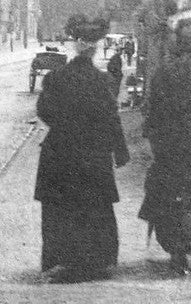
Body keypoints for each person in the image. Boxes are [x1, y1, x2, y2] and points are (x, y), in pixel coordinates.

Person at [34, 16, 129, 282]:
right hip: (93, 153)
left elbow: (44, 111)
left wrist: (66, 127)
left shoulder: (55, 77)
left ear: (74, 47)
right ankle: (95, 261)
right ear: (96, 49)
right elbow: (112, 117)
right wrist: (119, 151)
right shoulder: (103, 82)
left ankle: (62, 258)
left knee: (61, 206)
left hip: (60, 151)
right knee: (93, 205)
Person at [139, 10, 191, 276]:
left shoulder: (165, 71)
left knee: (171, 198)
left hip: (171, 150)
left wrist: (156, 143)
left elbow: (153, 113)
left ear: (177, 41)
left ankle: (178, 254)